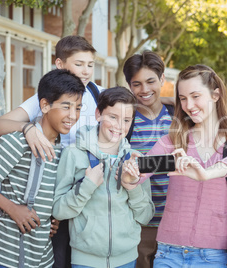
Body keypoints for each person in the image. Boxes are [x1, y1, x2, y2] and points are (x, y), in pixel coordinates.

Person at [0, 35, 104, 268]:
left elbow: (125, 110)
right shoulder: (49, 95)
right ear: (59, 64)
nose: (86, 71)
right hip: (50, 186)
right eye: (79, 64)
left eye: (90, 65)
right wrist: (27, 127)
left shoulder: (100, 94)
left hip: (87, 189)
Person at [122, 64, 227, 267]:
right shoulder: (173, 141)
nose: (189, 105)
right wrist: (130, 173)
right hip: (168, 253)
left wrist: (205, 173)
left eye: (195, 96)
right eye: (183, 98)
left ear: (215, 95)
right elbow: (141, 173)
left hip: (214, 255)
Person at [0, 69, 85, 267]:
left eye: (78, 108)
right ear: (45, 105)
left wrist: (50, 217)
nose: (73, 115)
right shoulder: (20, 141)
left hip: (42, 256)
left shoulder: (60, 147)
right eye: (66, 107)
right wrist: (12, 208)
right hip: (6, 256)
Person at [52, 86, 154, 268]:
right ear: (98, 114)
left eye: (126, 120)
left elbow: (145, 216)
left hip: (127, 258)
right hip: (85, 260)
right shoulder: (74, 154)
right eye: (113, 117)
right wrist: (87, 186)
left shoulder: (135, 158)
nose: (119, 126)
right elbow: (58, 210)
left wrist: (132, 187)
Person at [122, 50, 174, 267]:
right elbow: (120, 167)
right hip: (138, 223)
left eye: (151, 81)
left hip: (174, 221)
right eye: (136, 84)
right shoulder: (125, 121)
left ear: (162, 79)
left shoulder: (179, 116)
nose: (144, 90)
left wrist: (142, 165)